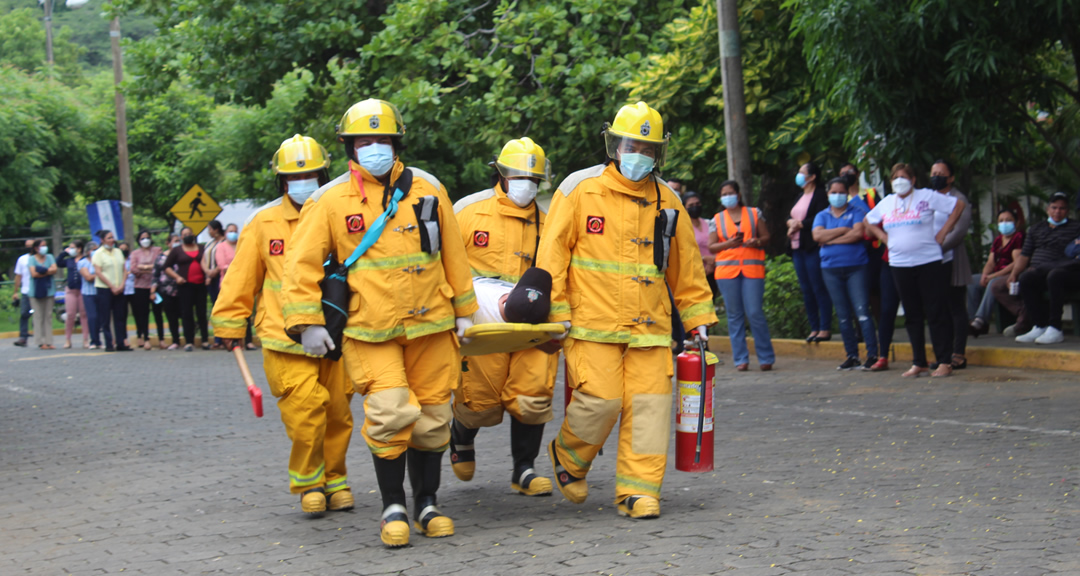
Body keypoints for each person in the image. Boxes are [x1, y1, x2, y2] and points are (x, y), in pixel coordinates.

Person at [281, 100, 476, 548]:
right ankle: (393, 505)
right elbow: (300, 264)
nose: (374, 148)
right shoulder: (329, 200)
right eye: (364, 141)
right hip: (371, 330)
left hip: (432, 325)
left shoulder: (429, 189)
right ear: (350, 147)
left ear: (396, 143)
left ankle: (427, 502)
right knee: (389, 415)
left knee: (431, 420)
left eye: (382, 139)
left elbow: (454, 255)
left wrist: (465, 312)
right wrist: (307, 324)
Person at [537, 101, 717, 520]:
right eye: (632, 145)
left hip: (650, 327)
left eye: (649, 148)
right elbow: (552, 256)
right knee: (601, 400)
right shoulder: (579, 189)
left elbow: (686, 268)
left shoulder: (668, 201)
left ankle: (638, 491)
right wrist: (555, 313)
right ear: (615, 146)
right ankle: (569, 457)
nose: (640, 155)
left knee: (651, 407)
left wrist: (698, 319)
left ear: (659, 154)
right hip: (590, 323)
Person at [212, 134, 355, 518]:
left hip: (335, 335)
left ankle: (336, 478)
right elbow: (241, 278)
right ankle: (309, 482)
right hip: (282, 338)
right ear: (281, 181)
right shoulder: (263, 222)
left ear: (324, 174)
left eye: (311, 174)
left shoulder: (339, 212)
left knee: (338, 411)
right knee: (307, 409)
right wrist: (229, 323)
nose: (303, 182)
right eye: (295, 176)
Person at [450, 137, 558, 497]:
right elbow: (444, 262)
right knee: (479, 400)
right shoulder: (468, 211)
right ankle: (461, 436)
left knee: (533, 394)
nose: (526, 182)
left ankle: (524, 469)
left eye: (533, 177)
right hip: (481, 318)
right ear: (501, 172)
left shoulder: (549, 223)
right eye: (518, 174)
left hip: (531, 322)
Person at [864, 164, 965, 377]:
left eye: (903, 177)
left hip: (928, 261)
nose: (899, 181)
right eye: (895, 178)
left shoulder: (926, 196)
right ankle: (919, 361)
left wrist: (943, 233)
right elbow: (868, 221)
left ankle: (944, 361)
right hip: (900, 263)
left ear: (913, 180)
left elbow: (958, 206)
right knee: (912, 313)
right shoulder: (887, 203)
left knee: (935, 310)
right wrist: (884, 238)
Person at [709, 180, 776, 371]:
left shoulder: (754, 213)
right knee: (734, 315)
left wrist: (756, 241)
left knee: (755, 312)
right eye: (724, 194)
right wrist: (729, 244)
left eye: (730, 192)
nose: (727, 196)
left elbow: (767, 237)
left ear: (738, 195)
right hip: (726, 271)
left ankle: (766, 357)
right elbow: (712, 246)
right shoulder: (717, 219)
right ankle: (741, 359)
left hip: (752, 270)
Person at [812, 178, 878, 370]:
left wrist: (829, 239)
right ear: (828, 194)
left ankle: (872, 354)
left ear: (847, 194)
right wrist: (842, 231)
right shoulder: (821, 215)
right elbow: (817, 236)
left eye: (841, 192)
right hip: (830, 269)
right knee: (842, 315)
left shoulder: (857, 212)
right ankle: (852, 355)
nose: (837, 196)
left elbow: (858, 234)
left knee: (862, 313)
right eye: (834, 192)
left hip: (856, 267)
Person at [1010, 192, 1080, 344]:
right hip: (1040, 271)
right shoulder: (1036, 229)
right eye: (1054, 207)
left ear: (1067, 211)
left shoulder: (1076, 227)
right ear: (1048, 209)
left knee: (1055, 275)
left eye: (1062, 208)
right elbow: (1024, 255)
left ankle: (1055, 328)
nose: (1057, 211)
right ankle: (1039, 326)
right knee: (1026, 278)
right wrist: (1014, 273)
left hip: (1067, 273)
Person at [930, 160, 973, 369]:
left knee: (956, 306)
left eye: (941, 173)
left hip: (952, 258)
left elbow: (959, 231)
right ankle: (943, 354)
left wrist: (937, 248)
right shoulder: (928, 198)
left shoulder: (958, 199)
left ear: (951, 177)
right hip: (932, 261)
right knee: (940, 309)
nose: (936, 176)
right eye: (934, 173)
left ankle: (958, 352)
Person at [787, 162, 833, 342]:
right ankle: (814, 327)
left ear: (812, 177)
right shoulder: (800, 195)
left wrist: (800, 224)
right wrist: (790, 223)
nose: (798, 175)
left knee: (818, 287)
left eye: (802, 172)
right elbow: (792, 216)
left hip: (811, 246)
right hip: (796, 246)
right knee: (806, 289)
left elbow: (820, 216)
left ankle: (825, 327)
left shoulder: (820, 195)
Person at [968, 209, 1024, 336]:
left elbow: (1016, 262)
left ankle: (980, 319)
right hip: (996, 273)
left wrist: (993, 276)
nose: (1004, 223)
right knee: (971, 281)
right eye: (1001, 221)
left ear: (1016, 222)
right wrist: (984, 275)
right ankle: (972, 320)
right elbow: (990, 262)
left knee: (993, 282)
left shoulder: (1019, 237)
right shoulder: (998, 240)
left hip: (1010, 274)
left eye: (1009, 220)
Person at [165, 228, 210, 351]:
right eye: (185, 235)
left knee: (202, 313)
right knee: (187, 313)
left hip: (201, 285)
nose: (188, 236)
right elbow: (166, 267)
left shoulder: (202, 248)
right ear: (181, 237)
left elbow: (208, 262)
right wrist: (177, 277)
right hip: (185, 286)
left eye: (190, 234)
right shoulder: (177, 250)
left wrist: (208, 276)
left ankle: (205, 340)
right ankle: (189, 341)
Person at [91, 230, 132, 352]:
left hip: (119, 288)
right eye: (109, 238)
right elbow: (98, 272)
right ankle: (109, 343)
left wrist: (122, 285)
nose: (112, 240)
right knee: (105, 317)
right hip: (104, 289)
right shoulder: (98, 254)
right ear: (102, 240)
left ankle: (121, 342)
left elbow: (124, 269)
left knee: (120, 316)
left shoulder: (118, 252)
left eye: (112, 237)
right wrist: (111, 286)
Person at [129, 230, 162, 350]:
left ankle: (161, 339)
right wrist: (150, 268)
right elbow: (133, 269)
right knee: (143, 314)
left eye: (147, 238)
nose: (145, 240)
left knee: (158, 313)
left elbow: (159, 265)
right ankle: (145, 338)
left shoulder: (157, 250)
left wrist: (143, 267)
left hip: (156, 286)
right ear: (139, 240)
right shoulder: (135, 253)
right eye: (142, 238)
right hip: (140, 287)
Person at [684, 191, 720, 301]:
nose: (695, 207)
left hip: (715, 268)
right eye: (691, 205)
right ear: (684, 208)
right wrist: (705, 259)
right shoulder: (683, 227)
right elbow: (684, 250)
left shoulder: (710, 223)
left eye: (697, 204)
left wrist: (712, 262)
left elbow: (718, 243)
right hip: (694, 271)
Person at [152, 234, 183, 349]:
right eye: (175, 241)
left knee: (184, 314)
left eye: (179, 241)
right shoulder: (161, 258)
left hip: (182, 289)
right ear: (168, 243)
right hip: (166, 290)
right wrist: (153, 291)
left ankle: (189, 339)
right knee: (171, 316)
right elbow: (155, 276)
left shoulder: (183, 255)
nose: (177, 243)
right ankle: (175, 340)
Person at [56, 240, 88, 349]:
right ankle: (68, 339)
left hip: (82, 290)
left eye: (73, 248)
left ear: (79, 249)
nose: (71, 250)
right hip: (71, 290)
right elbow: (58, 262)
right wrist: (64, 253)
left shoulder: (85, 260)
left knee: (84, 315)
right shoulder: (69, 260)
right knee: (70, 315)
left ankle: (85, 339)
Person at [28, 240, 58, 350]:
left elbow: (55, 269)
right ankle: (40, 341)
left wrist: (42, 270)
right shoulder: (31, 259)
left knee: (48, 316)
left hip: (49, 290)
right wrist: (47, 270)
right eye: (42, 246)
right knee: (38, 316)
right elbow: (34, 274)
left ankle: (49, 341)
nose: (45, 248)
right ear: (36, 248)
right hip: (35, 292)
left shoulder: (49, 257)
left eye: (46, 245)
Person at [12, 239, 35, 347]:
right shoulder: (22, 259)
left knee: (39, 314)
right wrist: (15, 292)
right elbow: (18, 276)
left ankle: (40, 336)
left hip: (38, 291)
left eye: (31, 245)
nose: (29, 247)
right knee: (24, 314)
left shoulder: (41, 258)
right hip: (26, 290)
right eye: (27, 245)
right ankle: (23, 337)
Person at [78, 241, 101, 349]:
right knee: (92, 317)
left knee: (100, 317)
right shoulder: (82, 263)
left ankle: (99, 340)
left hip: (100, 292)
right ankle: (93, 340)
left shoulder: (100, 262)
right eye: (93, 249)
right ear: (87, 252)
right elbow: (88, 278)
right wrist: (100, 274)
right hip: (88, 293)